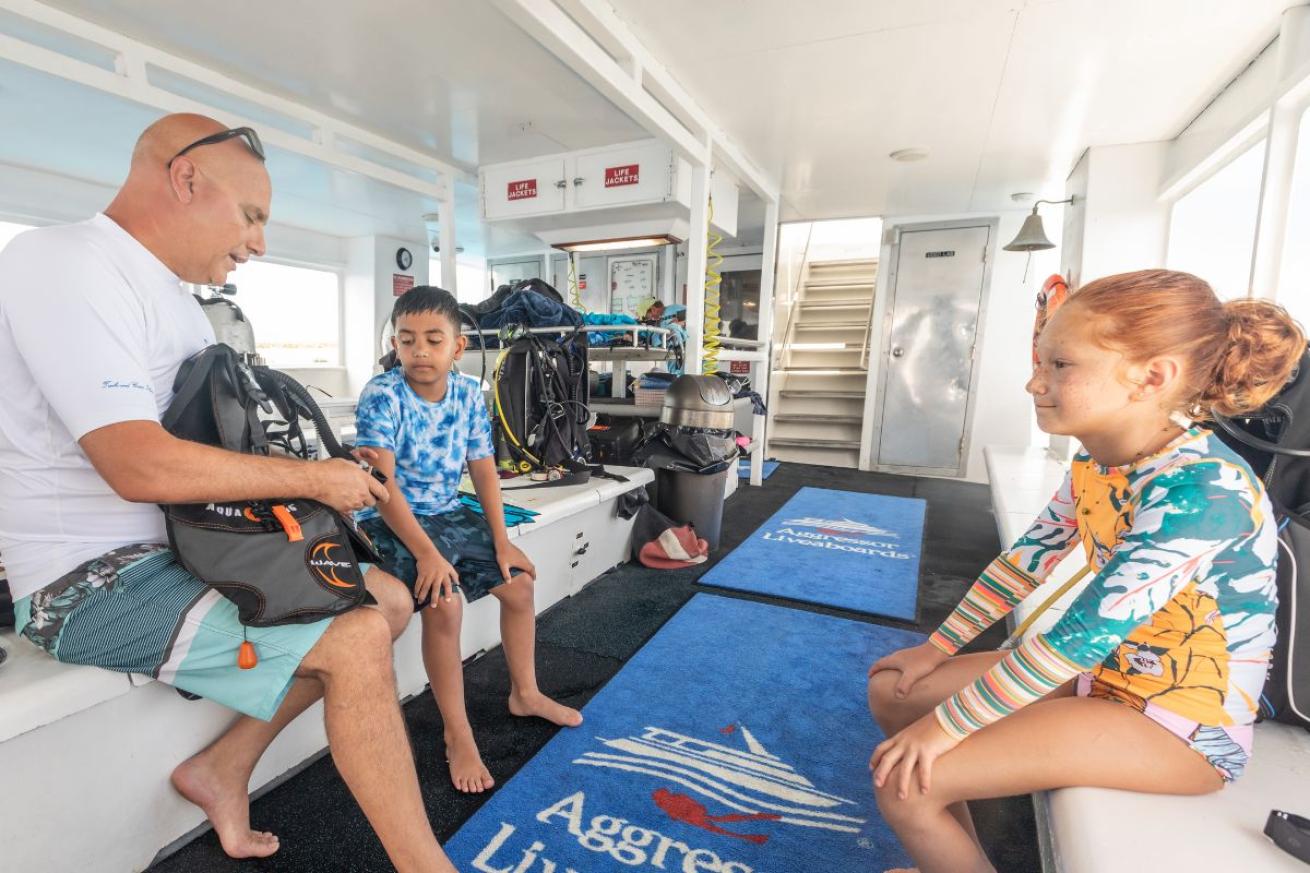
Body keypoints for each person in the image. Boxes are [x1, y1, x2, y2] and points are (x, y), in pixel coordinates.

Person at [0, 114, 456, 872]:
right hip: (85, 581)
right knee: (353, 635)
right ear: (185, 180)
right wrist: (314, 481)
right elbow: (138, 464)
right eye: (251, 216)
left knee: (392, 600)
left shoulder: (177, 300)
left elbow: (217, 451)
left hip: (184, 550)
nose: (258, 243)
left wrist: (333, 459)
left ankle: (222, 769)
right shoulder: (62, 261)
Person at [865, 269, 1305, 873]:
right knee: (896, 691)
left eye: (1061, 365)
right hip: (1102, 675)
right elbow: (1028, 558)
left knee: (907, 780)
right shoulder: (1098, 458)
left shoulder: (1205, 491)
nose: (1033, 382)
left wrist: (944, 731)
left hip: (1180, 727)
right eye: (1040, 361)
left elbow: (1076, 639)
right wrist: (935, 649)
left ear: (1153, 377)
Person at [355, 285, 583, 794]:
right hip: (391, 521)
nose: (419, 351)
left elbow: (483, 471)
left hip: (450, 512)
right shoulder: (382, 395)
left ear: (457, 348)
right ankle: (457, 734)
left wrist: (501, 542)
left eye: (433, 340)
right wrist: (429, 555)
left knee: (519, 583)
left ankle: (525, 693)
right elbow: (382, 489)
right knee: (445, 604)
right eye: (408, 340)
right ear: (396, 343)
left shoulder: (465, 395)